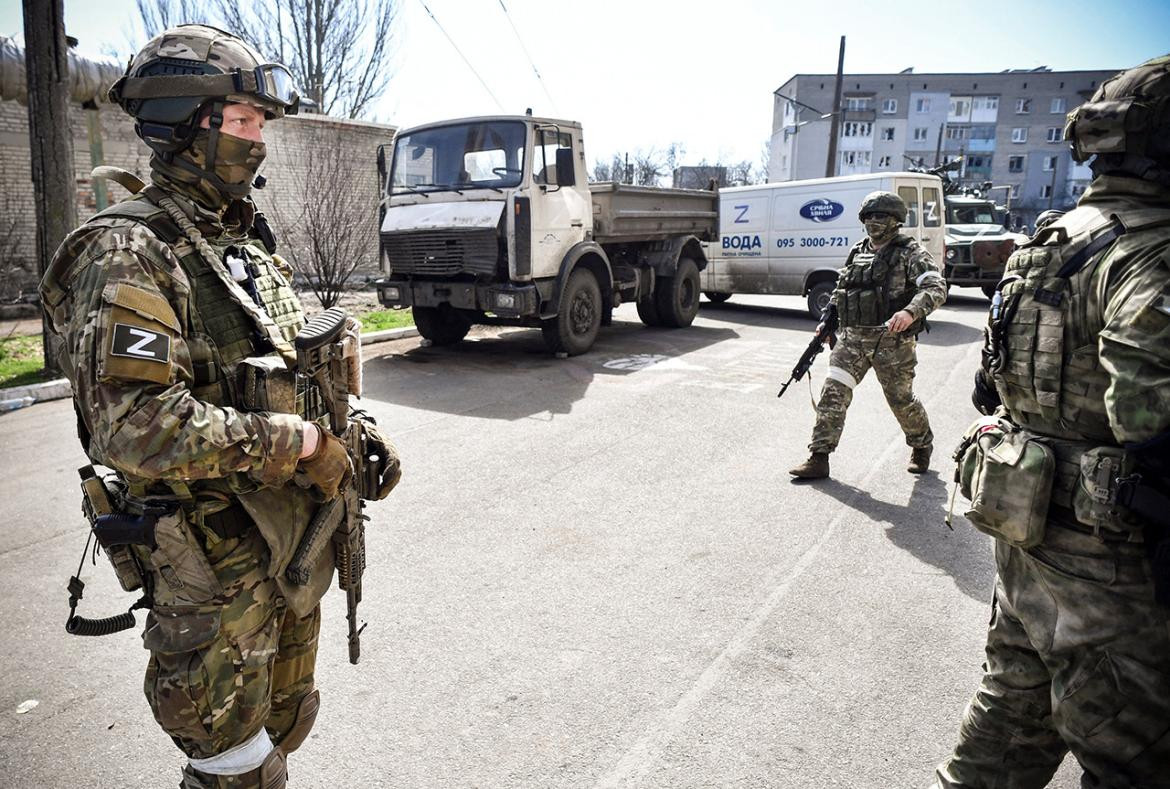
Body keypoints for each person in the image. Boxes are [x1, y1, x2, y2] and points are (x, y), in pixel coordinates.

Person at [39, 25, 399, 788]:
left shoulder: (245, 244)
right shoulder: (131, 251)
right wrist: (298, 444)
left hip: (287, 556)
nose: (258, 140)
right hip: (212, 575)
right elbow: (134, 426)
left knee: (286, 729)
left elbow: (300, 369)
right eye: (241, 120)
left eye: (261, 123)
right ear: (186, 122)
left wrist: (352, 429)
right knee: (235, 767)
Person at [936, 54, 1170, 787]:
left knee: (1012, 715)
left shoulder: (1048, 240)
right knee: (1134, 753)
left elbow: (990, 387)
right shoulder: (1151, 253)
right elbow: (1146, 414)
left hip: (1030, 531)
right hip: (1115, 566)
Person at [788, 191, 947, 480]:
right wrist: (827, 322)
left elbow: (936, 288)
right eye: (869, 216)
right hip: (852, 339)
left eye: (881, 216)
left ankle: (921, 444)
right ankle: (819, 456)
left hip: (892, 341)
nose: (873, 222)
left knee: (900, 400)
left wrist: (910, 312)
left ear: (896, 221)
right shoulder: (857, 251)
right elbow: (842, 290)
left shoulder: (910, 253)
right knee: (833, 393)